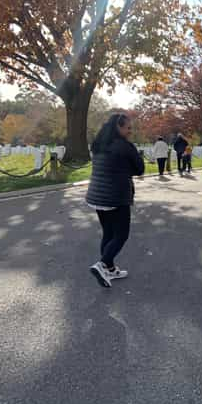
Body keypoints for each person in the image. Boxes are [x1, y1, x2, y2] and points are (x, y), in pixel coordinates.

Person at [85, 113, 145, 287]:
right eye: (128, 128)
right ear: (118, 127)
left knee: (108, 233)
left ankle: (110, 269)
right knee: (121, 235)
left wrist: (123, 169)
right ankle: (102, 265)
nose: (130, 131)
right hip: (116, 196)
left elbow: (110, 166)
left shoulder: (98, 145)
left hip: (97, 196)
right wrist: (127, 170)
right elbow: (139, 169)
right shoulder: (125, 146)